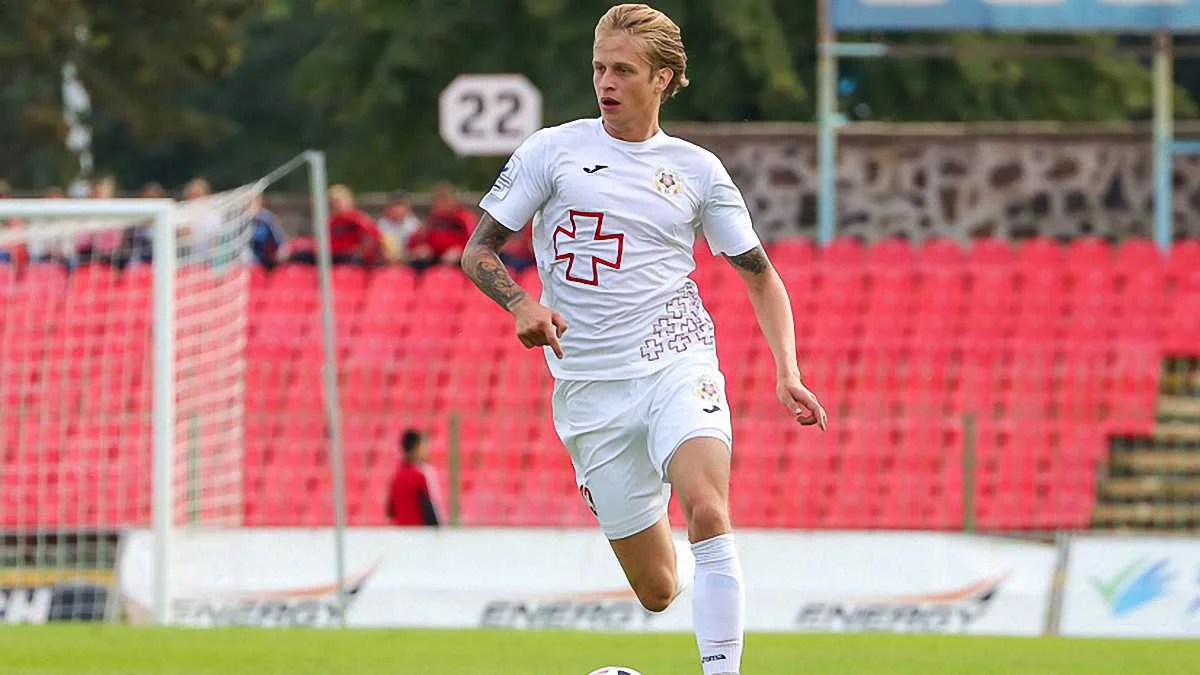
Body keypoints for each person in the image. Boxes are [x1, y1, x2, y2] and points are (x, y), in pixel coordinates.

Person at [460, 5, 826, 674]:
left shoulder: (697, 171)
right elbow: (477, 249)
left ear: (663, 78)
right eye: (600, 67)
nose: (607, 82)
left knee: (708, 509)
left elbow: (760, 276)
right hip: (589, 390)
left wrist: (788, 370)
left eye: (624, 70)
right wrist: (520, 302)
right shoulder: (552, 151)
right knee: (658, 589)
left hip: (675, 360)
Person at [385, 429, 441, 527]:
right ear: (415, 448)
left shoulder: (395, 478)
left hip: (401, 531)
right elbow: (428, 510)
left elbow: (390, 511)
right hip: (418, 531)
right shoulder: (419, 477)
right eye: (422, 447)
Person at [377, 190, 422, 263]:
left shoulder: (415, 225)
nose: (397, 209)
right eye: (394, 206)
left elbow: (418, 247)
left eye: (400, 205)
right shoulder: (381, 225)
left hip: (409, 261)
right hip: (387, 261)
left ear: (407, 208)